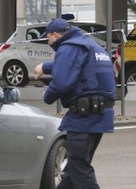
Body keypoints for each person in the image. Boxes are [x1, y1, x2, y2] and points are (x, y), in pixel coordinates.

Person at [34, 18, 116, 189]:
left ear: (55, 35)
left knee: (79, 168)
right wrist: (46, 67)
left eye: (47, 37)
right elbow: (76, 66)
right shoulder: (90, 45)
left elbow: (62, 81)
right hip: (99, 114)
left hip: (84, 117)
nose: (48, 42)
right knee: (73, 170)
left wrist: (47, 95)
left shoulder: (69, 47)